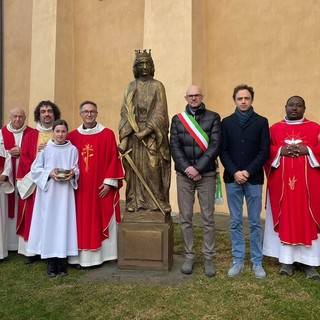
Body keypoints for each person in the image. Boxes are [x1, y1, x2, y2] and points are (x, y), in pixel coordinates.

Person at [263, 96, 320, 279]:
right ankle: (286, 261)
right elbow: (266, 150)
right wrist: (280, 151)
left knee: (307, 219)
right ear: (285, 107)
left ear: (305, 108)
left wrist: (308, 150)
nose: (294, 108)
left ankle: (309, 263)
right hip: (283, 189)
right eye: (291, 105)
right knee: (286, 217)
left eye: (298, 105)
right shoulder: (275, 129)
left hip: (308, 189)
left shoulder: (315, 128)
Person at [170, 85, 221, 277]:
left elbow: (216, 145)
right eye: (190, 96)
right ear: (185, 97)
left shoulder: (214, 117)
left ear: (202, 96)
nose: (193, 98)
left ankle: (209, 257)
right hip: (184, 175)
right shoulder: (177, 120)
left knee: (208, 218)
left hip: (206, 174)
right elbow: (174, 146)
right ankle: (189, 256)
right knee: (186, 218)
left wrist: (198, 167)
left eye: (197, 95)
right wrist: (188, 169)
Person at [220, 84, 270, 279]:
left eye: (246, 98)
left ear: (251, 100)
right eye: (240, 98)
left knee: (255, 222)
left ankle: (257, 262)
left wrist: (248, 171)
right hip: (232, 179)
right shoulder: (227, 122)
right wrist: (235, 172)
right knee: (235, 221)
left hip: (254, 179)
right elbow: (222, 150)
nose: (243, 101)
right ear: (235, 100)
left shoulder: (261, 122)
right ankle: (238, 260)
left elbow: (264, 151)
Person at [67, 101, 124, 267]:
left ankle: (104, 256)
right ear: (81, 114)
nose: (89, 114)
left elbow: (113, 158)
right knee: (80, 220)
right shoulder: (72, 136)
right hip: (79, 188)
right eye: (85, 111)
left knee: (101, 217)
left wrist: (109, 183)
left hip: (101, 187)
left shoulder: (107, 134)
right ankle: (77, 258)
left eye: (92, 111)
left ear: (96, 113)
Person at [118, 49, 171, 214]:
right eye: (141, 64)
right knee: (135, 170)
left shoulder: (157, 85)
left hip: (152, 135)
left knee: (153, 166)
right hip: (133, 135)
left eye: (148, 63)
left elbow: (160, 110)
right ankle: (134, 200)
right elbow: (125, 112)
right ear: (136, 67)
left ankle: (158, 201)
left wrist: (147, 130)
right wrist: (125, 138)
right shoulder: (131, 86)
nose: (145, 66)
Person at [27, 119, 79, 277]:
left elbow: (76, 167)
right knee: (50, 224)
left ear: (67, 132)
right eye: (57, 131)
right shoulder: (46, 149)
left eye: (63, 131)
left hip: (65, 195)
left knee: (64, 223)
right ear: (53, 132)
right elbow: (35, 169)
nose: (60, 134)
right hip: (49, 193)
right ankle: (51, 262)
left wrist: (73, 173)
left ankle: (61, 261)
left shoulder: (72, 149)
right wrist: (48, 174)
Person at [16, 100, 61, 263]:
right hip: (36, 183)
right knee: (33, 216)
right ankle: (32, 250)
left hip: (56, 184)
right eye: (43, 111)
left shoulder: (61, 133)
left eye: (49, 111)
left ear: (54, 114)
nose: (47, 114)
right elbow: (25, 159)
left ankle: (53, 248)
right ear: (38, 115)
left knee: (54, 216)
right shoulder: (30, 136)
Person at [0, 108, 32, 251]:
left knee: (23, 204)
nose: (17, 119)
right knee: (7, 207)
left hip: (25, 174)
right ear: (10, 117)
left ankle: (21, 243)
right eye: (14, 116)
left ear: (25, 118)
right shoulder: (2, 133)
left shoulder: (31, 133)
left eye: (20, 116)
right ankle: (8, 243)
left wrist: (22, 151)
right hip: (8, 176)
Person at [0, 142, 14, 260]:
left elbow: (8, 162)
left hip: (0, 186)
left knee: (1, 220)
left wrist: (4, 175)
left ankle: (1, 252)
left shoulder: (2, 146)